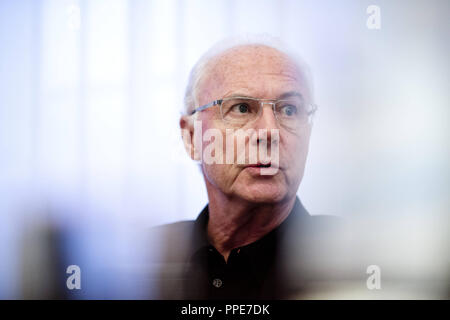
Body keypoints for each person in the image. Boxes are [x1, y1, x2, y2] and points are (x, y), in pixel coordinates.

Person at [148, 36, 345, 299]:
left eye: (288, 110)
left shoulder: (353, 256)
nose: (269, 132)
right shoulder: (144, 259)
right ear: (192, 138)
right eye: (241, 108)